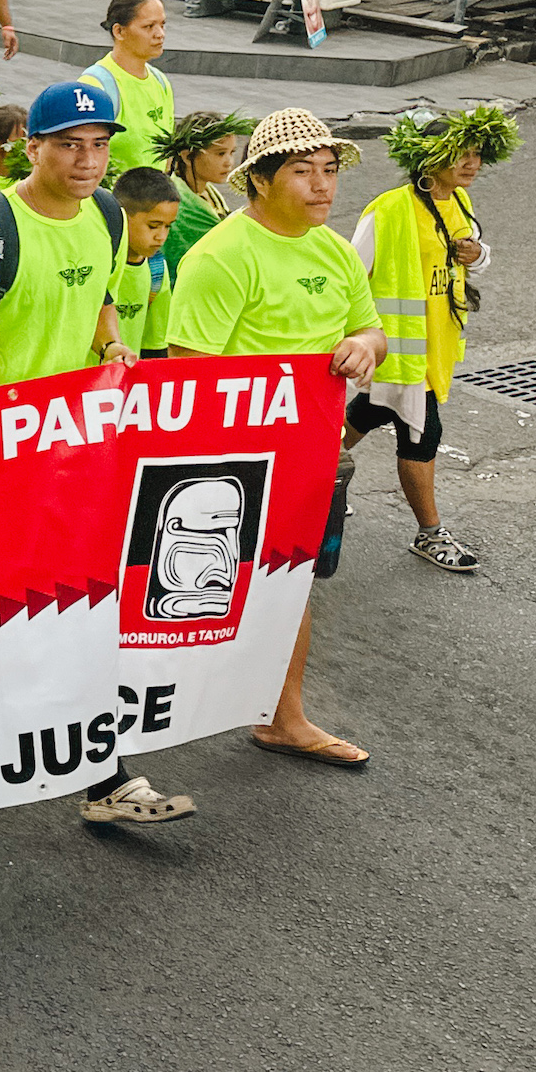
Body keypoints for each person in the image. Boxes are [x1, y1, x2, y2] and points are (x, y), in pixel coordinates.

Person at [0, 81, 193, 825]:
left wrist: (111, 342)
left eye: (99, 144)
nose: (86, 160)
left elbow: (104, 295)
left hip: (74, 458)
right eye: (69, 144)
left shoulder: (107, 214)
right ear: (30, 147)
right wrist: (2, 460)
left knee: (80, 613)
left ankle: (103, 778)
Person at [168, 108, 384, 769]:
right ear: (258, 181)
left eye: (329, 172)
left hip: (314, 459)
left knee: (294, 584)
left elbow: (373, 332)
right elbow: (189, 374)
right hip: (231, 470)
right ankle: (120, 733)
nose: (323, 187)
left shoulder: (334, 250)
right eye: (302, 171)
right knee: (185, 597)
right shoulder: (222, 257)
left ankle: (284, 717)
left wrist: (361, 345)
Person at [346, 106, 516, 575]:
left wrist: (477, 253)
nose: (470, 163)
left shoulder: (458, 203)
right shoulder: (390, 209)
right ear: (427, 156)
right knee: (423, 431)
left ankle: (319, 483)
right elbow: (351, 274)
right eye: (459, 154)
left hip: (436, 345)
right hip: (397, 348)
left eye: (477, 154)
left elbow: (475, 260)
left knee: (371, 411)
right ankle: (429, 533)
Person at [78, 0, 174, 177]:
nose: (160, 34)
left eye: (162, 25)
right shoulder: (95, 86)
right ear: (119, 31)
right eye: (149, 26)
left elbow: (167, 157)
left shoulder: (161, 82)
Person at [152, 109, 250, 272]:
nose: (229, 162)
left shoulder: (209, 192)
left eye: (231, 152)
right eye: (220, 154)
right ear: (187, 156)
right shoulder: (178, 205)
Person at [110, 165, 180, 361]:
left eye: (167, 227)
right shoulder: (100, 263)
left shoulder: (156, 269)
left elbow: (155, 345)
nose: (161, 237)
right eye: (153, 226)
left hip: (125, 384)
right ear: (121, 216)